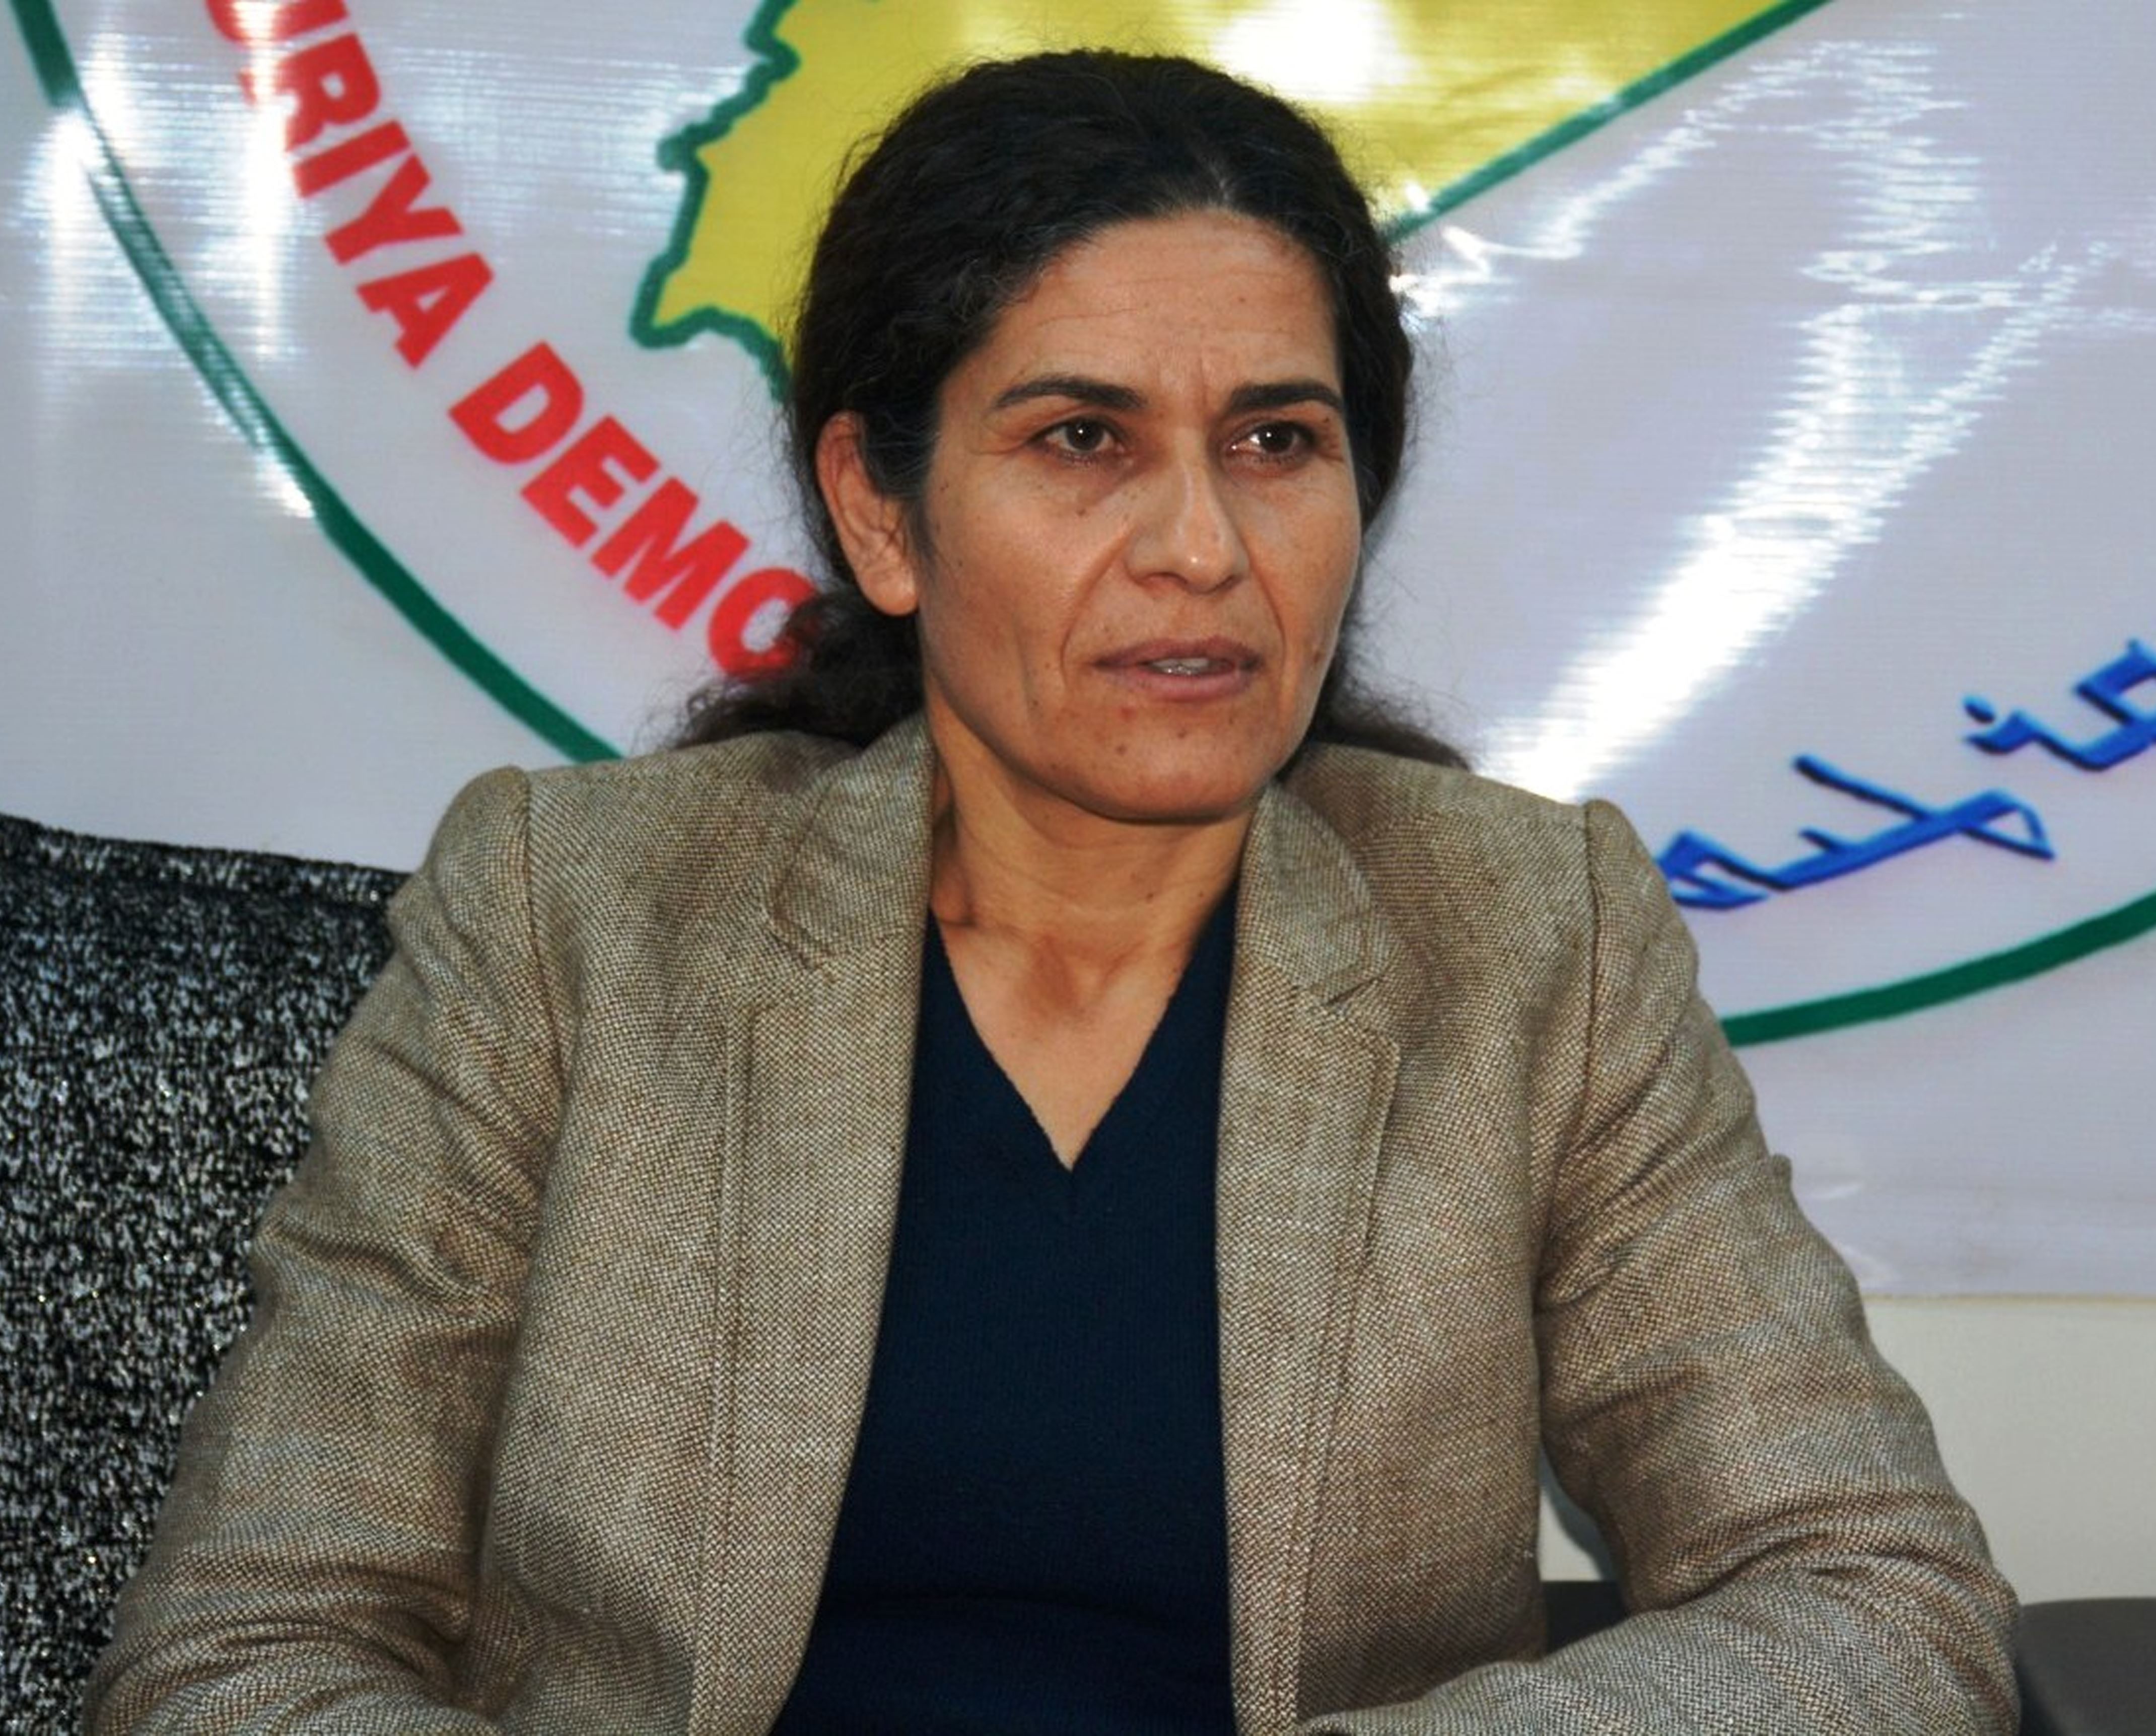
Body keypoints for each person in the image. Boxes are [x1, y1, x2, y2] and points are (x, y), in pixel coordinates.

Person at [87, 50, 2015, 1734]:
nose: (1201, 546)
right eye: (1083, 441)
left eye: (1276, 443)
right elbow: (244, 1652)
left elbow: (1874, 1597)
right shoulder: (573, 916)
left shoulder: (1528, 944)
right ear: (882, 512)